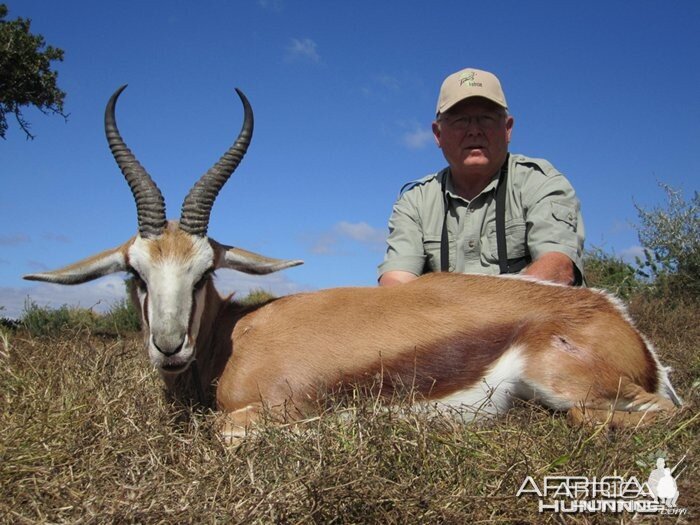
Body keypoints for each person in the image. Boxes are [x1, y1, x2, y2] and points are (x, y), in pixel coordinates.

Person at [378, 67, 584, 286]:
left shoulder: (540, 181)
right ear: (438, 134)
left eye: (486, 118)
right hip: (450, 320)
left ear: (508, 129)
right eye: (460, 120)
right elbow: (397, 281)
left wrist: (474, 317)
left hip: (528, 319)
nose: (474, 130)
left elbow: (558, 268)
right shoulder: (414, 201)